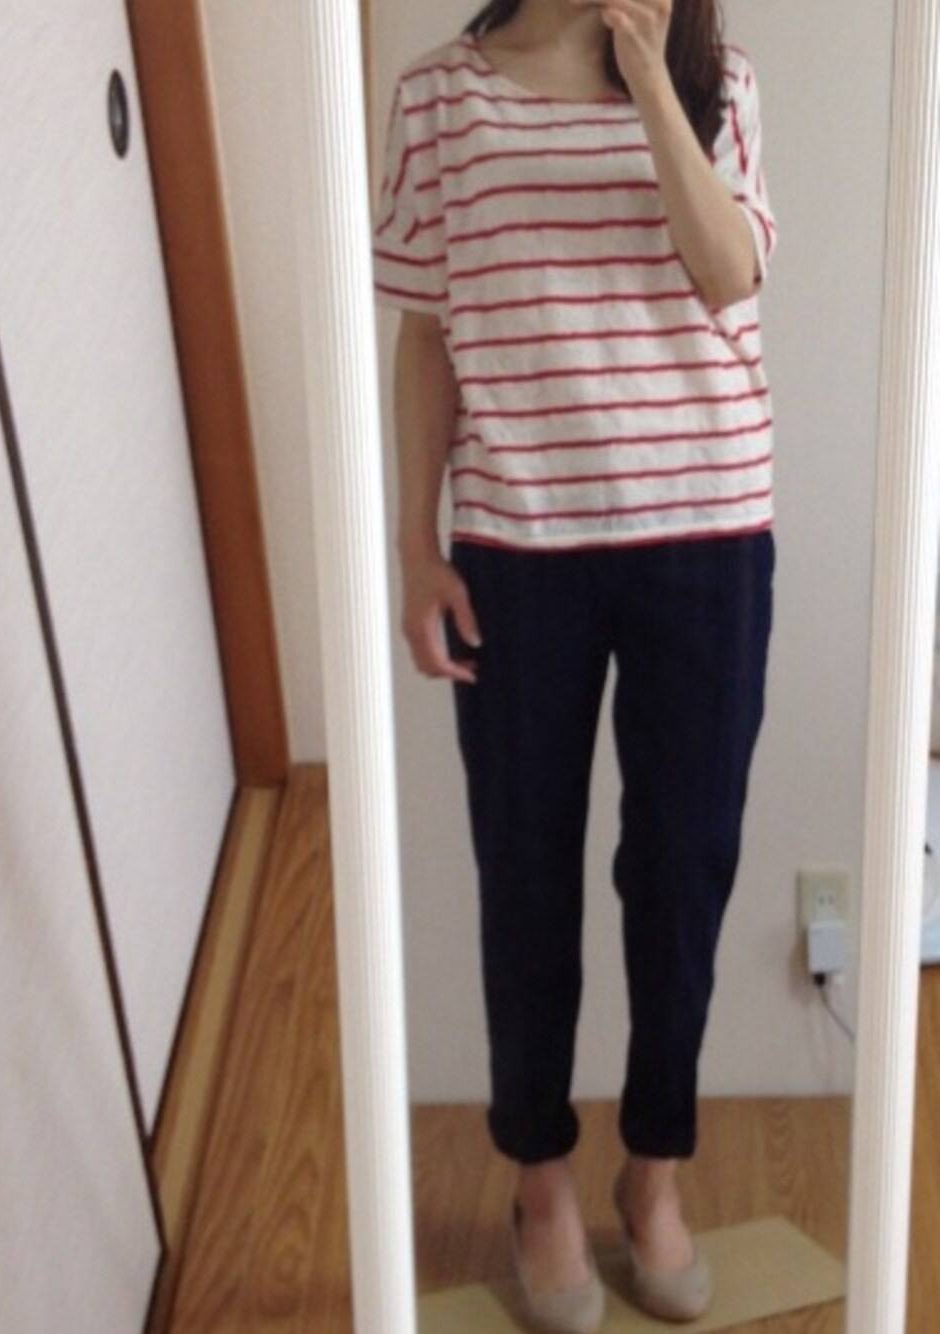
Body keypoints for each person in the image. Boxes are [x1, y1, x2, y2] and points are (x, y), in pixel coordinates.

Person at [373, 0, 776, 1328]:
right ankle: (539, 1178)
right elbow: (426, 333)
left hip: (708, 533)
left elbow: (729, 272)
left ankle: (654, 1171)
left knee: (683, 865)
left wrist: (652, 78)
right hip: (519, 541)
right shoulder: (440, 98)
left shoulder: (719, 83)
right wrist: (413, 543)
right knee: (526, 866)